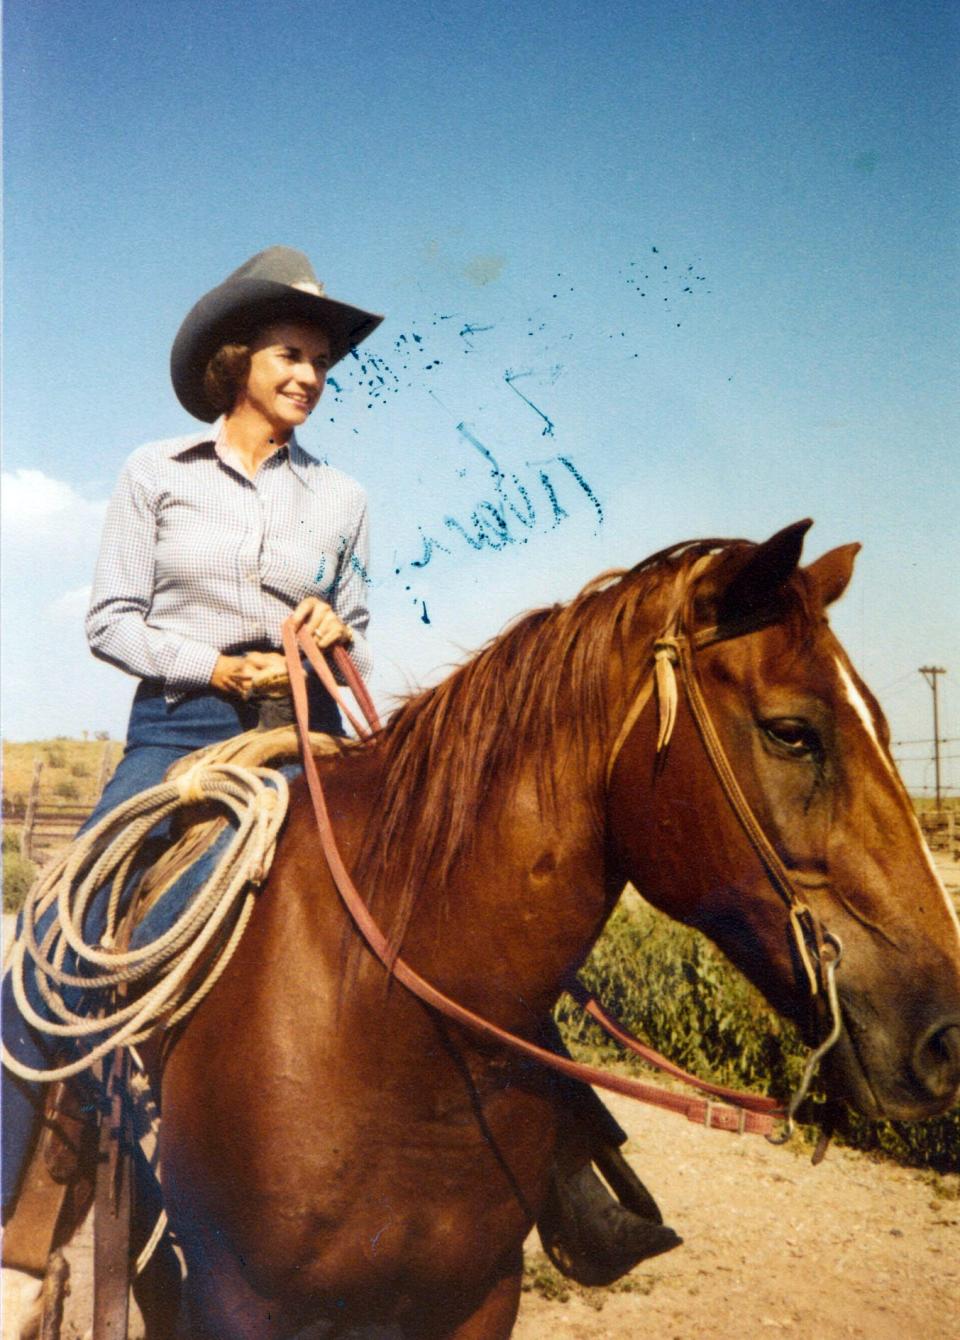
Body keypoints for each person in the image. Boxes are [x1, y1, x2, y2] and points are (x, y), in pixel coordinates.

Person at [2, 247, 676, 1316]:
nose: (310, 374)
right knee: (57, 927)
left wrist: (329, 624)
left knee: (450, 922)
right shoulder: (155, 474)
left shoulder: (344, 497)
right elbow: (110, 621)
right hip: (181, 732)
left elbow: (353, 613)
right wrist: (218, 663)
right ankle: (22, 1211)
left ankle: (572, 1172)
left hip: (312, 735)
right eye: (290, 352)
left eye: (320, 360)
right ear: (238, 360)